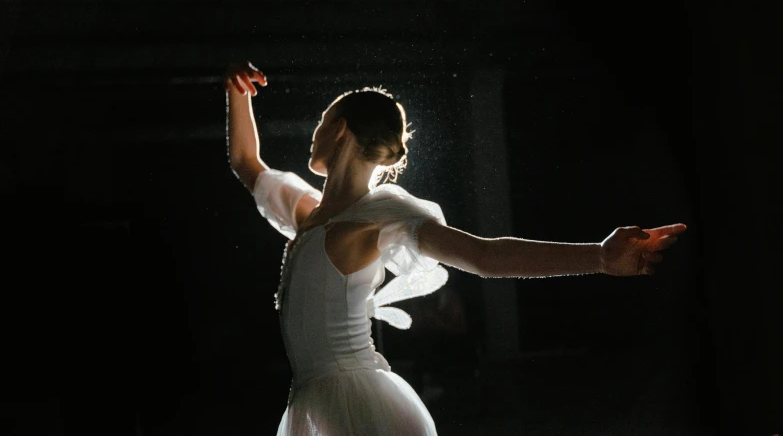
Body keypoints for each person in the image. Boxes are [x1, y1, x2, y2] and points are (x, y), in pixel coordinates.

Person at [224, 61, 687, 435]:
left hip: (361, 405)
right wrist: (238, 94)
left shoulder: (384, 212)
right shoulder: (308, 215)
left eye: (321, 122)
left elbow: (484, 255)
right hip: (313, 403)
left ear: (341, 129)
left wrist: (600, 257)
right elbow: (248, 164)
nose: (314, 133)